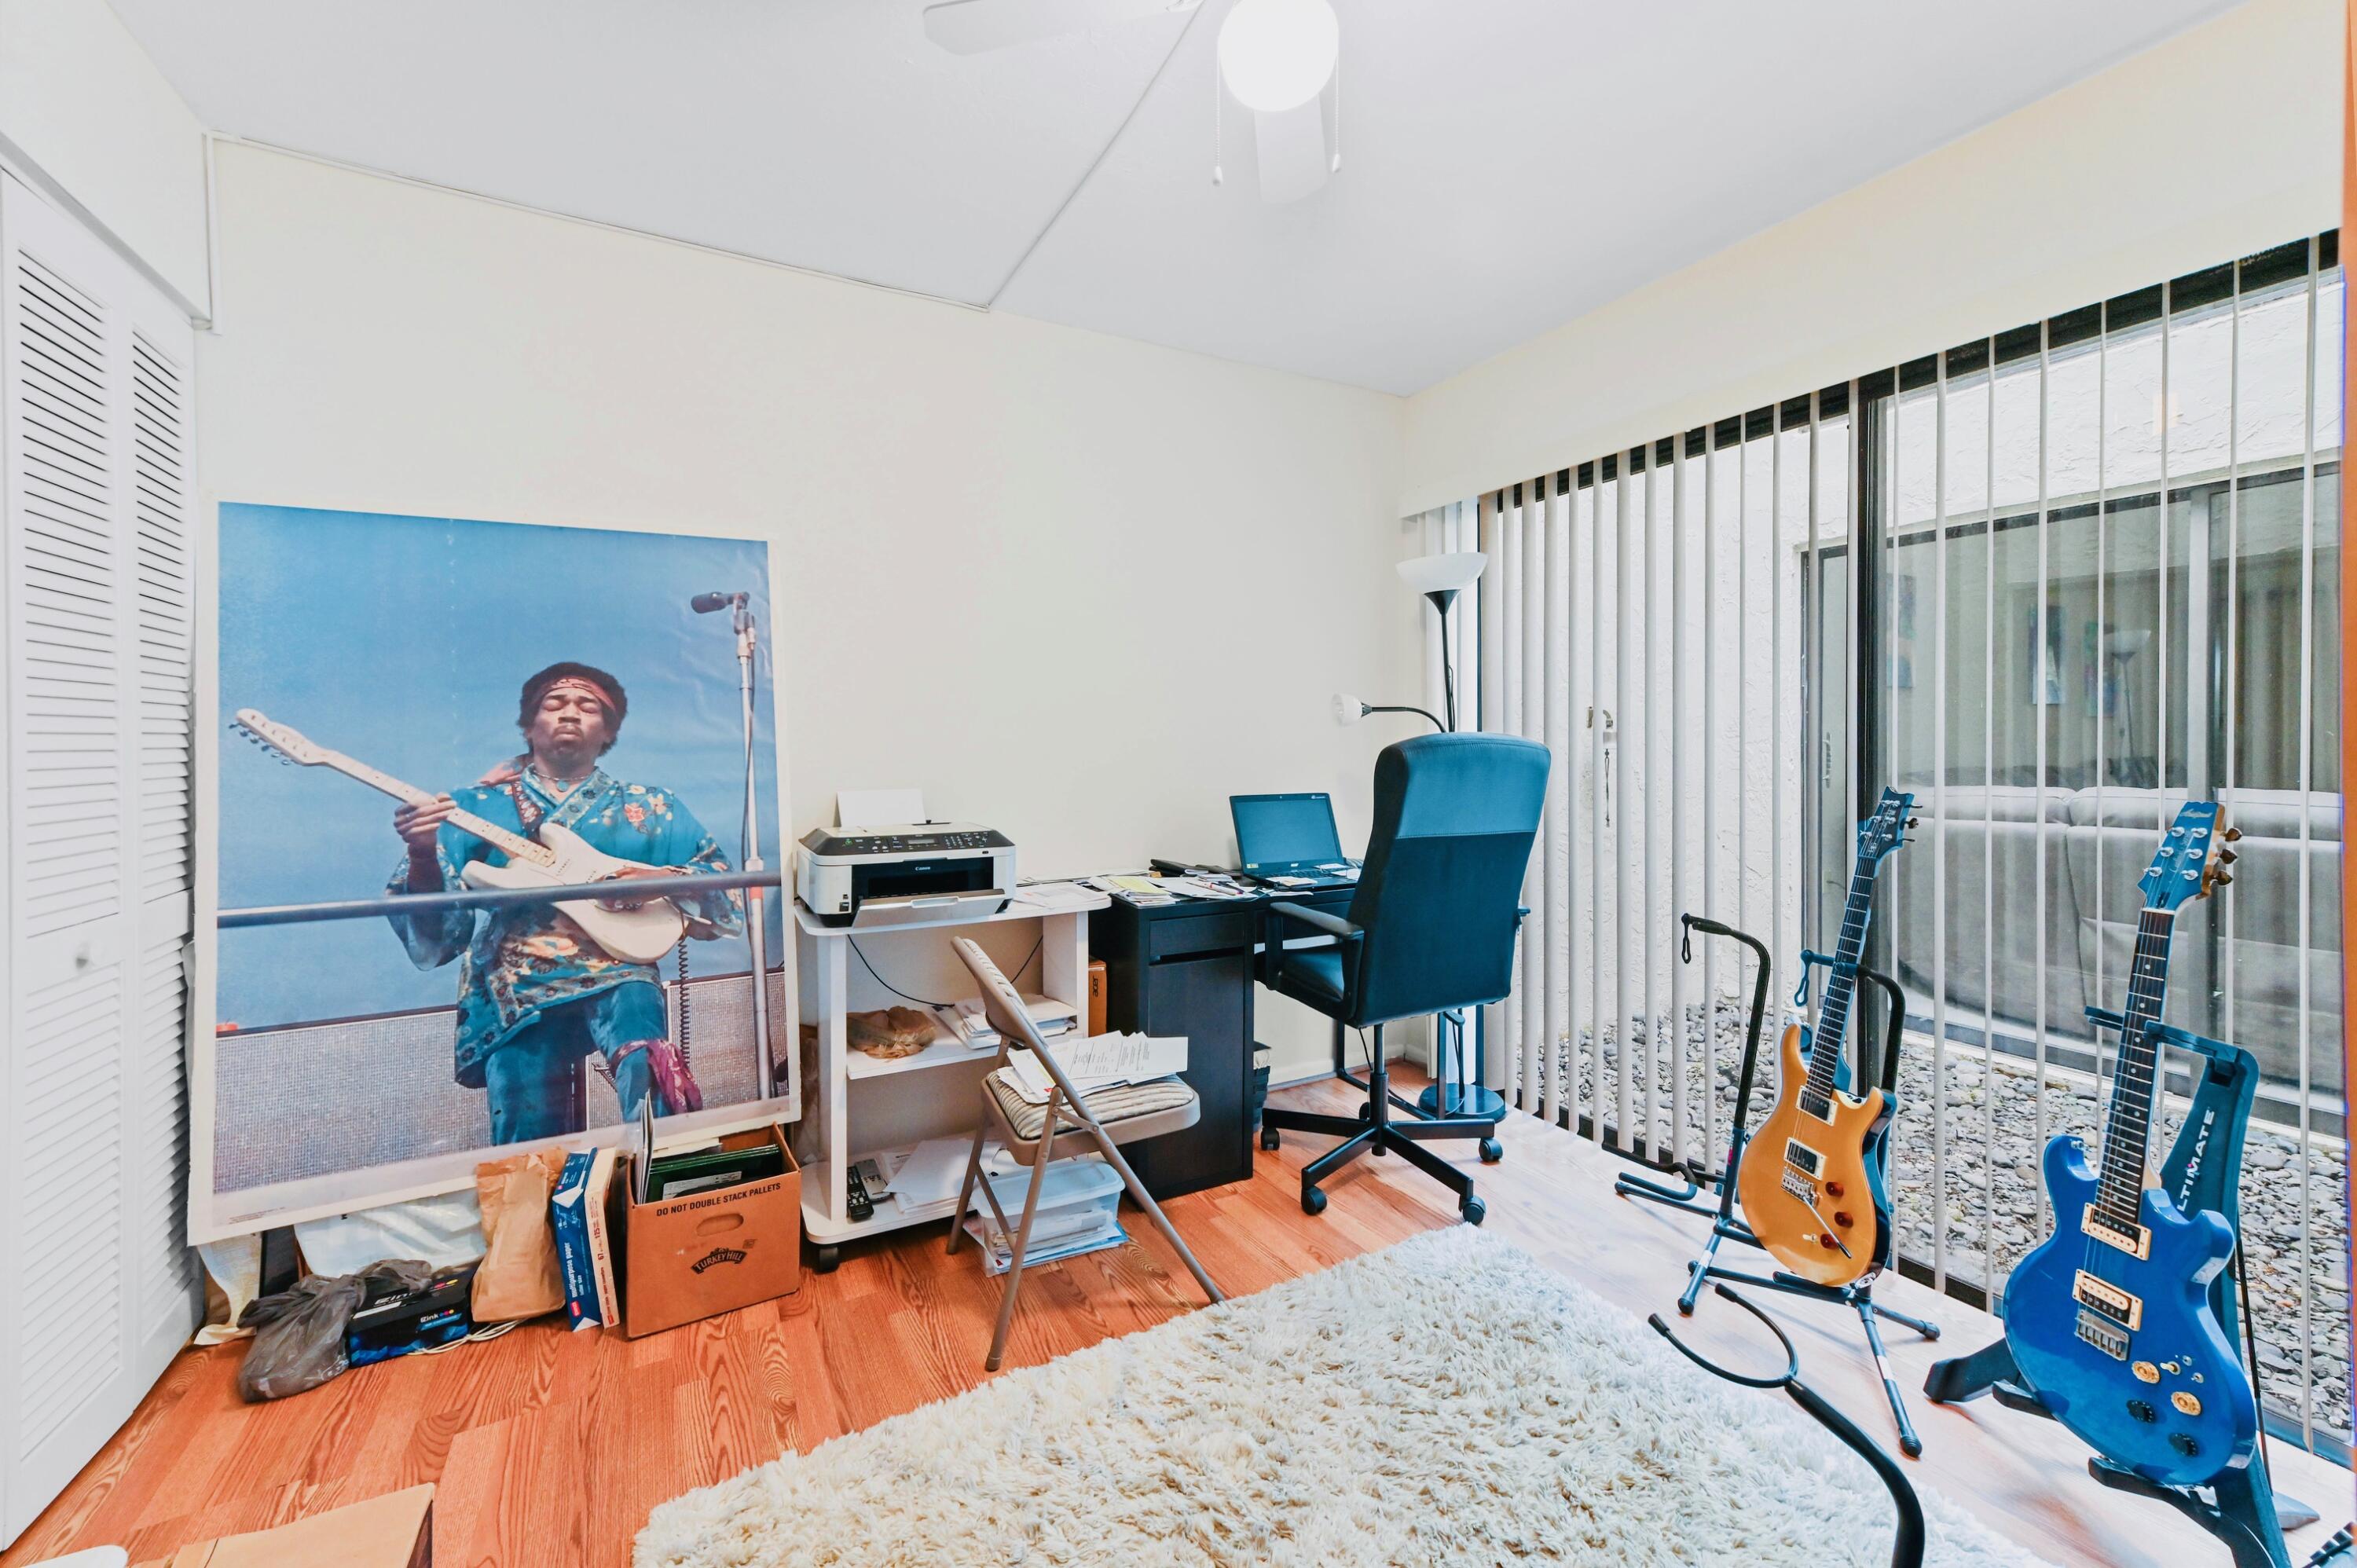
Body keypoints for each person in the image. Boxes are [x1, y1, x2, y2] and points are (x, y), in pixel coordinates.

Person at [385, 662, 741, 1144]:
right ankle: (540, 1211)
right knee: (526, 1124)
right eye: (554, 705)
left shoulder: (652, 805)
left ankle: (663, 1184)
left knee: (647, 1060)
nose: (570, 712)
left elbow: (722, 877)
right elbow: (438, 929)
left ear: (608, 731)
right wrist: (421, 852)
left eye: (588, 706)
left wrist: (659, 878)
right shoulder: (471, 807)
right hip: (516, 980)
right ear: (530, 728)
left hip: (619, 964)